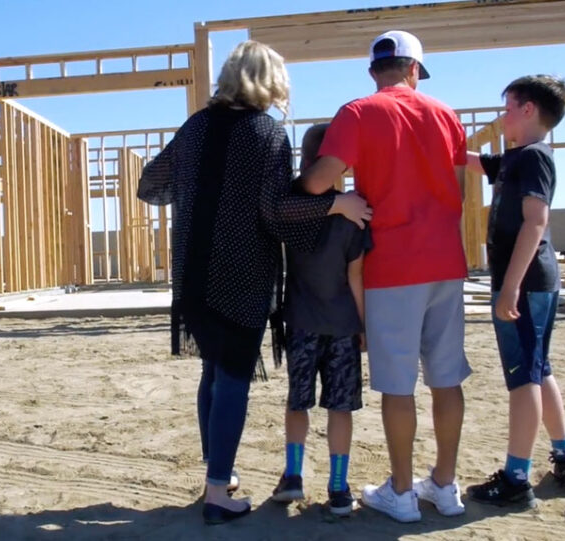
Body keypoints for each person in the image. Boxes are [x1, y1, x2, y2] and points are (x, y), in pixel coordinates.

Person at [137, 40, 371, 526]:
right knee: (233, 380)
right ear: (271, 82)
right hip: (241, 277)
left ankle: (216, 474)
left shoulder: (196, 126)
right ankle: (218, 492)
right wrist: (336, 205)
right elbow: (275, 212)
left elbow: (148, 185)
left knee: (212, 374)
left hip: (192, 273)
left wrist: (193, 181)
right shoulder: (267, 134)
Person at [300, 30, 471, 522]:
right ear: (414, 69)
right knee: (446, 377)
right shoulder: (446, 114)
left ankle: (401, 491)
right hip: (445, 262)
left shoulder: (359, 112)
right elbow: (456, 193)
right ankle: (444, 483)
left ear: (374, 71)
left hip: (393, 266)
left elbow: (317, 179)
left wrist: (336, 197)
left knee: (398, 385)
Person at [464, 75, 565, 507]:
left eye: (507, 107)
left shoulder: (535, 157)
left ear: (529, 110)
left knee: (523, 380)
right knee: (540, 369)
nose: (502, 116)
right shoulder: (516, 158)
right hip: (531, 283)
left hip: (526, 283)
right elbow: (473, 162)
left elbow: (536, 222)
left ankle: (516, 478)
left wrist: (509, 288)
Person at [270, 123, 370, 517]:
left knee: (298, 402)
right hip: (343, 324)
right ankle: (339, 486)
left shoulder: (293, 208)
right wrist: (363, 325)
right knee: (340, 407)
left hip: (300, 322)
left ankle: (293, 476)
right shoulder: (353, 213)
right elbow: (355, 276)